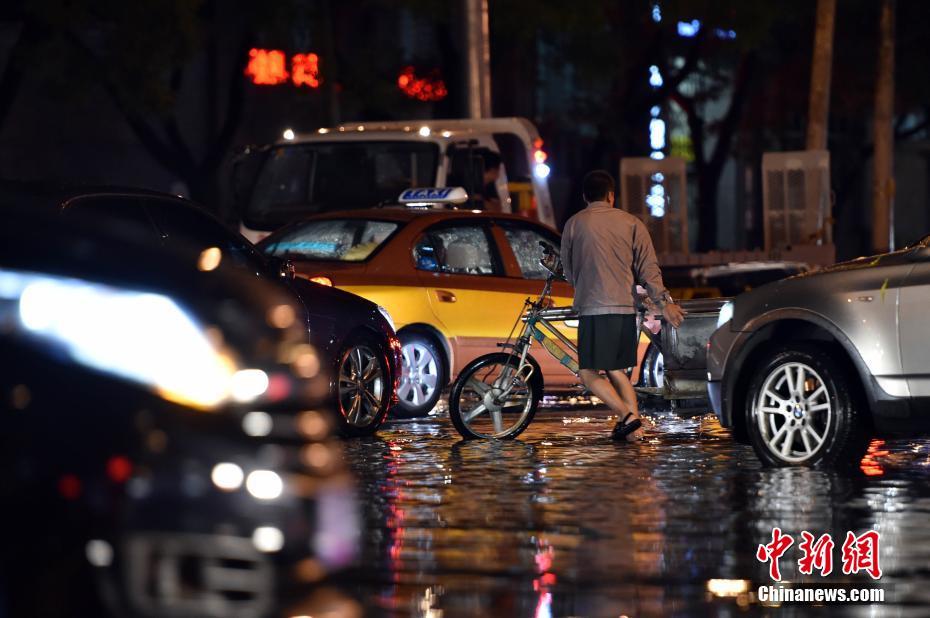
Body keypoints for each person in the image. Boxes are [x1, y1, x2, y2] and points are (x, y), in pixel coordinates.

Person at [560, 170, 685, 442]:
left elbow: (568, 272)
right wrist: (664, 303)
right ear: (611, 195)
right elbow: (649, 269)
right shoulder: (632, 223)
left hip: (595, 307)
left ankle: (627, 416)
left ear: (585, 197)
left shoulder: (574, 224)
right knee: (617, 371)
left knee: (587, 373)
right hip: (626, 309)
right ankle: (635, 431)